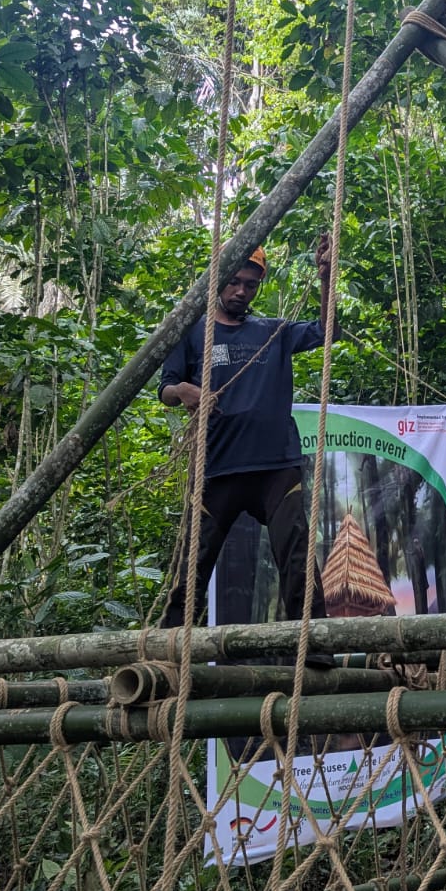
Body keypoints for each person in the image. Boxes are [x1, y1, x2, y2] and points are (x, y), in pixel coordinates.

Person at [158, 236, 337, 636]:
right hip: (218, 466)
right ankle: (171, 645)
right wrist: (185, 392)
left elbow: (327, 331)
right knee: (194, 562)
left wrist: (325, 278)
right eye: (234, 281)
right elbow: (166, 387)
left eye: (251, 285)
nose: (241, 291)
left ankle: (314, 645)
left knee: (295, 554)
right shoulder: (192, 330)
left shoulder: (272, 331)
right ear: (217, 280)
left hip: (276, 464)